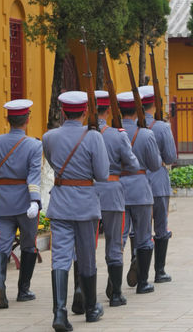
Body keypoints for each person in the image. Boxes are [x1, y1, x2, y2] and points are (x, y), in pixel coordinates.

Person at [42, 91, 110, 331]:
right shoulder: (94, 137)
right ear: (84, 112)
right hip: (85, 206)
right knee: (87, 257)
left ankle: (59, 314)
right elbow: (102, 174)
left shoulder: (48, 137)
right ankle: (91, 309)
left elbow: (52, 164)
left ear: (62, 112)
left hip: (60, 204)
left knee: (60, 258)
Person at [0, 99, 42, 309]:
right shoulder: (34, 145)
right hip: (26, 204)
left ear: (8, 119)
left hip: (2, 201)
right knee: (28, 246)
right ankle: (23, 290)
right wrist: (35, 201)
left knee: (2, 246)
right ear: (28, 120)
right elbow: (34, 176)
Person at [93, 89, 141, 308]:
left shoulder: (84, 134)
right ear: (109, 110)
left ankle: (79, 292)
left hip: (87, 193)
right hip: (112, 191)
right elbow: (133, 165)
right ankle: (115, 294)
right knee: (114, 242)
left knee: (84, 245)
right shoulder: (117, 134)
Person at [116, 90, 162, 295]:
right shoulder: (146, 134)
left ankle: (114, 283)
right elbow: (154, 165)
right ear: (137, 111)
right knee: (144, 236)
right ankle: (143, 282)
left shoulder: (110, 134)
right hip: (141, 190)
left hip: (118, 191)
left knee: (119, 238)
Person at [138, 84, 178, 282]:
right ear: (155, 104)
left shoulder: (127, 126)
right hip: (158, 183)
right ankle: (159, 271)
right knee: (161, 227)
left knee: (139, 228)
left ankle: (137, 265)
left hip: (135, 183)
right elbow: (171, 157)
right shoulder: (162, 127)